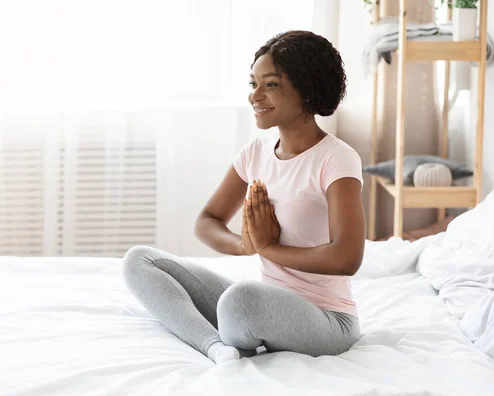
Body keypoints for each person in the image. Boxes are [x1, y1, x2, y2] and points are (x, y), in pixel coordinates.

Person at [122, 30, 366, 364]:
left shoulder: (336, 158)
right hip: (265, 304)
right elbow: (207, 221)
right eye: (253, 84)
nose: (255, 96)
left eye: (271, 84)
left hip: (327, 320)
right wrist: (244, 246)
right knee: (140, 260)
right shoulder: (255, 153)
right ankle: (216, 347)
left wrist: (270, 249)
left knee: (239, 301)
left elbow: (347, 257)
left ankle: (237, 332)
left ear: (307, 88)